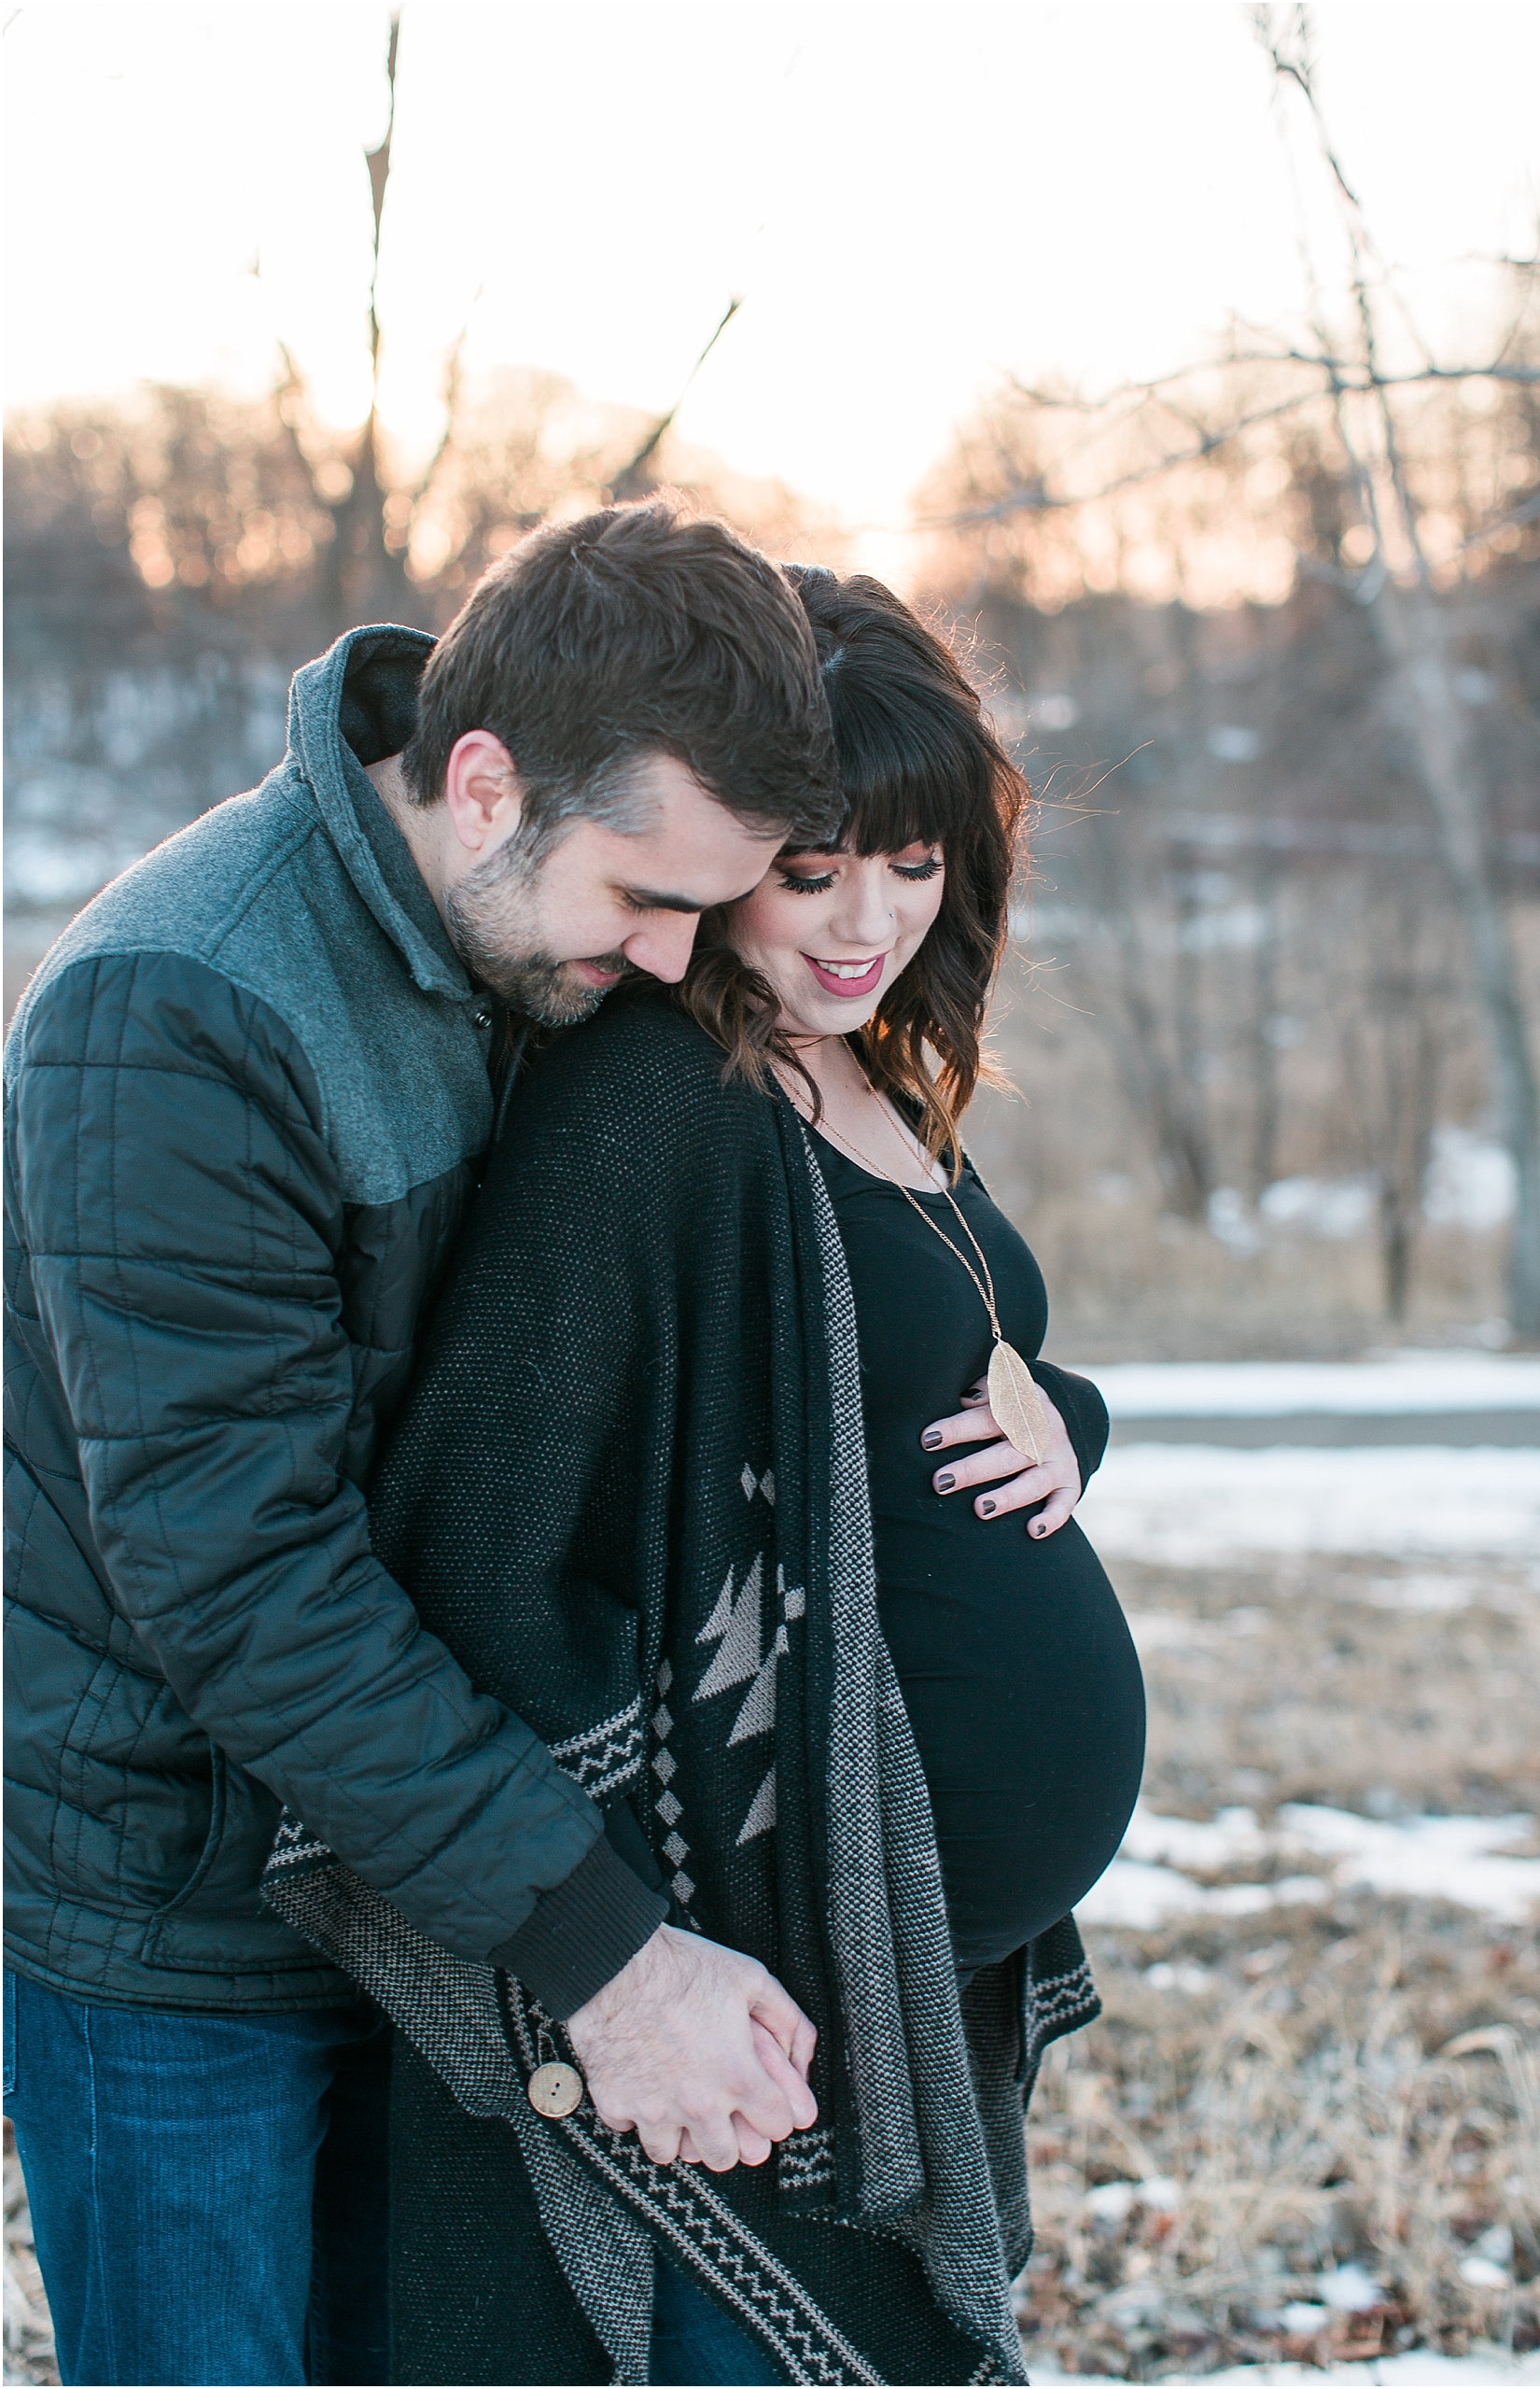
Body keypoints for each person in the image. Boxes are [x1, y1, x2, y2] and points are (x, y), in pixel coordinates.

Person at [3, 500, 847, 2388]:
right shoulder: (177, 1012)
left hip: (430, 1884)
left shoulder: (525, 945)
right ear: (482, 783)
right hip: (178, 1915)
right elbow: (243, 1571)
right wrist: (608, 1953)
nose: (666, 956)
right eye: (643, 896)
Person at [270, 569, 1145, 2385]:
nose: (865, 920)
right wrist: (631, 1939)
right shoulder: (653, 1110)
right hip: (743, 1945)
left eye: (911, 864)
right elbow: (490, 1533)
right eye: (810, 868)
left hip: (885, 1969)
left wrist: (1064, 1411)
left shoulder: (856, 1059)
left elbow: (917, 1387)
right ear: (722, 842)